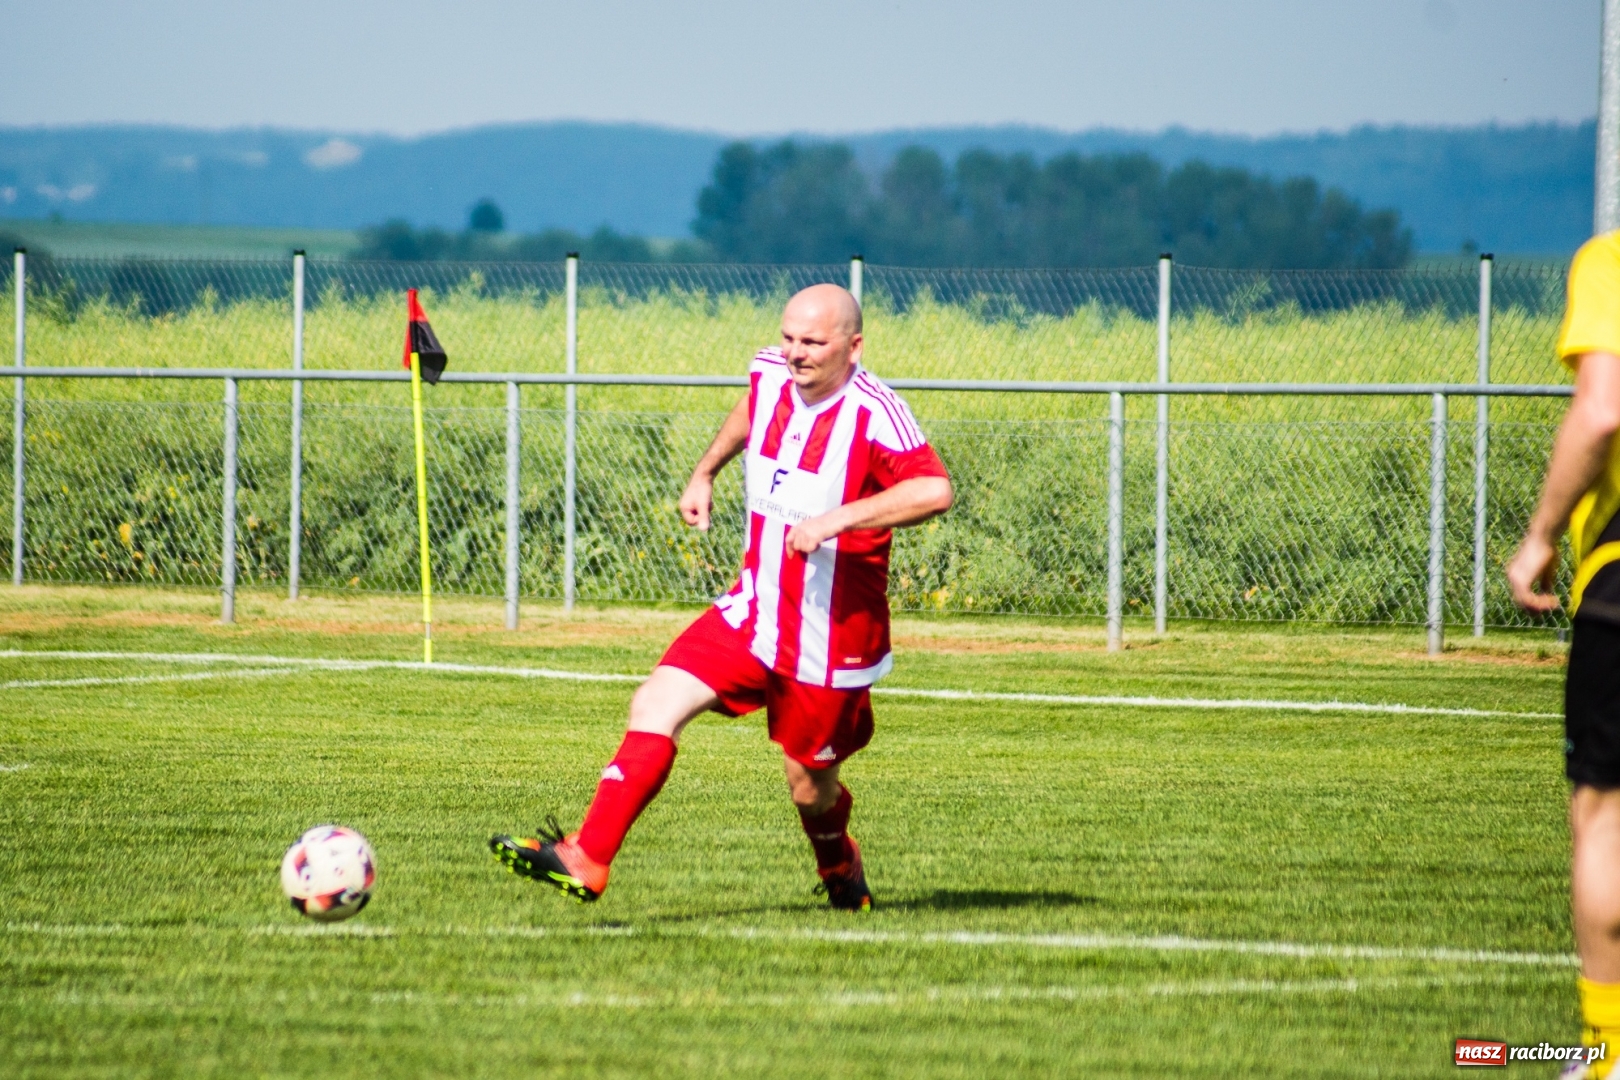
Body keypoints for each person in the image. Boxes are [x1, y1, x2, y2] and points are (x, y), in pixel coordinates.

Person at [490, 283, 954, 911]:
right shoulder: (770, 373)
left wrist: (835, 520)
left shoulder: (877, 412)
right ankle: (587, 857)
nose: (795, 353)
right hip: (754, 605)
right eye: (789, 337)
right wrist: (705, 471)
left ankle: (839, 862)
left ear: (853, 344)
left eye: (813, 342)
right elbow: (750, 409)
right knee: (656, 702)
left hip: (829, 635)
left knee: (809, 788)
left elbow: (934, 491)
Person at [1508, 230, 1620, 1078]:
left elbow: (1603, 405)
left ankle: (1607, 1050)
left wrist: (1540, 535)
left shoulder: (1612, 258)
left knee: (1606, 821)